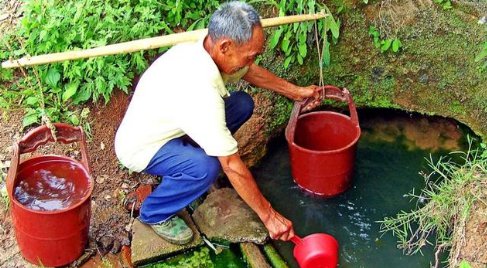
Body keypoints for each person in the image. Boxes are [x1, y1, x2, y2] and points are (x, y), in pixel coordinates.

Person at [115, 1, 321, 245]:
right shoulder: (200, 90)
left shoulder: (209, 43)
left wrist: (296, 92)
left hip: (170, 124)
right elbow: (231, 164)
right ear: (225, 47)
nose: (251, 61)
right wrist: (269, 216)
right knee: (207, 168)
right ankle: (155, 212)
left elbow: (249, 71)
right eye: (251, 55)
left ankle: (187, 164)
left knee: (242, 103)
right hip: (142, 147)